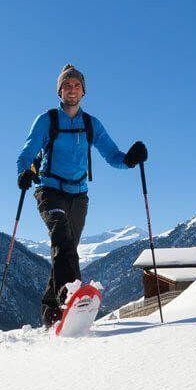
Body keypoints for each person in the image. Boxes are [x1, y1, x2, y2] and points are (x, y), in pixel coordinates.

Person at [16, 64, 148, 328]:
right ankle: (73, 295)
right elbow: (27, 152)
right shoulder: (47, 120)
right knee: (62, 238)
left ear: (84, 91)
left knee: (66, 251)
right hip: (49, 190)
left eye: (76, 85)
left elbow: (113, 156)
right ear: (59, 91)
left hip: (79, 196)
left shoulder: (91, 124)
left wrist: (131, 160)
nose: (72, 89)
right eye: (67, 85)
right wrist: (24, 172)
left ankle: (52, 314)